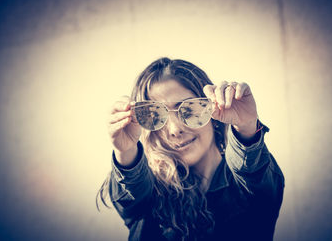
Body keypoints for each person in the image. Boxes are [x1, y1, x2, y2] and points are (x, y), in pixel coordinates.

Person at [97, 57, 284, 241]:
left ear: (213, 111)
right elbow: (131, 191)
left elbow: (254, 171)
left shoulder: (250, 186)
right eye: (156, 115)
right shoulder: (148, 194)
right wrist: (125, 150)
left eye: (188, 109)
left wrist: (246, 126)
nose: (174, 129)